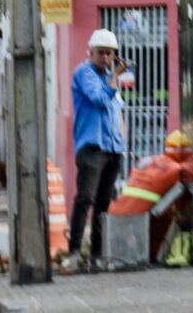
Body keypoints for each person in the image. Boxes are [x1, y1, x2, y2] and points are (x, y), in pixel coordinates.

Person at [69, 28, 128, 263]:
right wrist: (116, 76)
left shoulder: (108, 78)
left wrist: (122, 143)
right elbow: (100, 99)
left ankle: (97, 253)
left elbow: (116, 111)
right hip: (92, 147)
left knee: (104, 203)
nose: (105, 57)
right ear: (90, 52)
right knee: (86, 198)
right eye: (100, 52)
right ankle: (74, 250)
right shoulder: (84, 74)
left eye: (109, 53)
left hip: (112, 148)